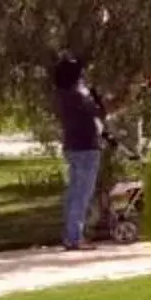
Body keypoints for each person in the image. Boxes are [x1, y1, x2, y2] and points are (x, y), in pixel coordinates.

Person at [50, 53, 107, 249]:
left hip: (73, 146)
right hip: (86, 148)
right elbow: (98, 112)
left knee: (74, 192)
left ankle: (71, 235)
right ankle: (75, 238)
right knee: (82, 193)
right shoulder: (79, 95)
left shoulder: (63, 95)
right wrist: (95, 95)